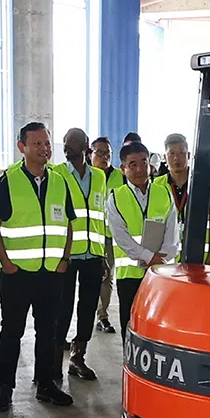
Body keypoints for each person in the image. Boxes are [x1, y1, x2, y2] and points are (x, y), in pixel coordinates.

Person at [0, 123, 75, 412]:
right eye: (36, 143)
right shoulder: (7, 182)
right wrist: (7, 264)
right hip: (18, 275)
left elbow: (70, 224)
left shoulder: (60, 182)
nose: (44, 149)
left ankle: (47, 385)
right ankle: (4, 390)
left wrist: (64, 259)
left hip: (51, 273)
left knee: (48, 332)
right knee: (11, 331)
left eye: (46, 143)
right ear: (21, 146)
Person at [106, 140, 178, 339]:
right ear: (123, 168)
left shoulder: (164, 193)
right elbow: (121, 237)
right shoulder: (115, 197)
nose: (139, 169)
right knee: (130, 326)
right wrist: (148, 256)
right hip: (129, 275)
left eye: (144, 162)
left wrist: (162, 258)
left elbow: (172, 233)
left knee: (158, 325)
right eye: (133, 164)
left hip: (160, 273)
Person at [53, 128, 106, 382]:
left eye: (72, 141)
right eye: (65, 141)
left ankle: (78, 357)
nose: (67, 145)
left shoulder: (99, 177)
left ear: (85, 145)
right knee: (61, 308)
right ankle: (53, 363)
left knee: (87, 309)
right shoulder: (57, 174)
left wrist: (104, 255)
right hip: (67, 255)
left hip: (93, 256)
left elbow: (101, 218)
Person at [159, 132, 210, 264]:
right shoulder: (156, 185)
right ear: (165, 157)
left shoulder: (203, 184)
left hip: (198, 258)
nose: (176, 158)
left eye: (181, 153)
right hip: (166, 260)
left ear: (189, 155)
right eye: (171, 153)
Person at [91, 137, 122, 335]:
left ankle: (102, 316)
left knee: (107, 276)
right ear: (90, 154)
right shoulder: (87, 176)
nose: (104, 156)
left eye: (108, 153)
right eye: (100, 152)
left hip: (110, 236)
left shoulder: (120, 177)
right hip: (88, 236)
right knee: (89, 278)